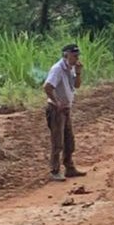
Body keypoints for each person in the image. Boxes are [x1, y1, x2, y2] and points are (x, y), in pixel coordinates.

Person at [43, 43, 87, 182]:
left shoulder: (70, 68)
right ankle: (54, 170)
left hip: (66, 109)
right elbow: (47, 87)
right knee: (58, 142)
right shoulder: (57, 69)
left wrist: (78, 72)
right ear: (66, 55)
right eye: (74, 56)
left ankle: (69, 167)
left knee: (69, 141)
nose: (76, 58)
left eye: (77, 55)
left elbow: (77, 85)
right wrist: (56, 102)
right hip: (56, 110)